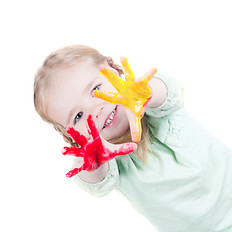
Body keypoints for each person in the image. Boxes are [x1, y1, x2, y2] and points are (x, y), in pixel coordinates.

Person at [34, 44, 232, 232]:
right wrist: (93, 163)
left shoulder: (155, 107)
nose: (95, 110)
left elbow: (167, 91)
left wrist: (143, 94)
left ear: (114, 71)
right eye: (78, 116)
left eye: (96, 90)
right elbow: (94, 182)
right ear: (71, 136)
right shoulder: (109, 161)